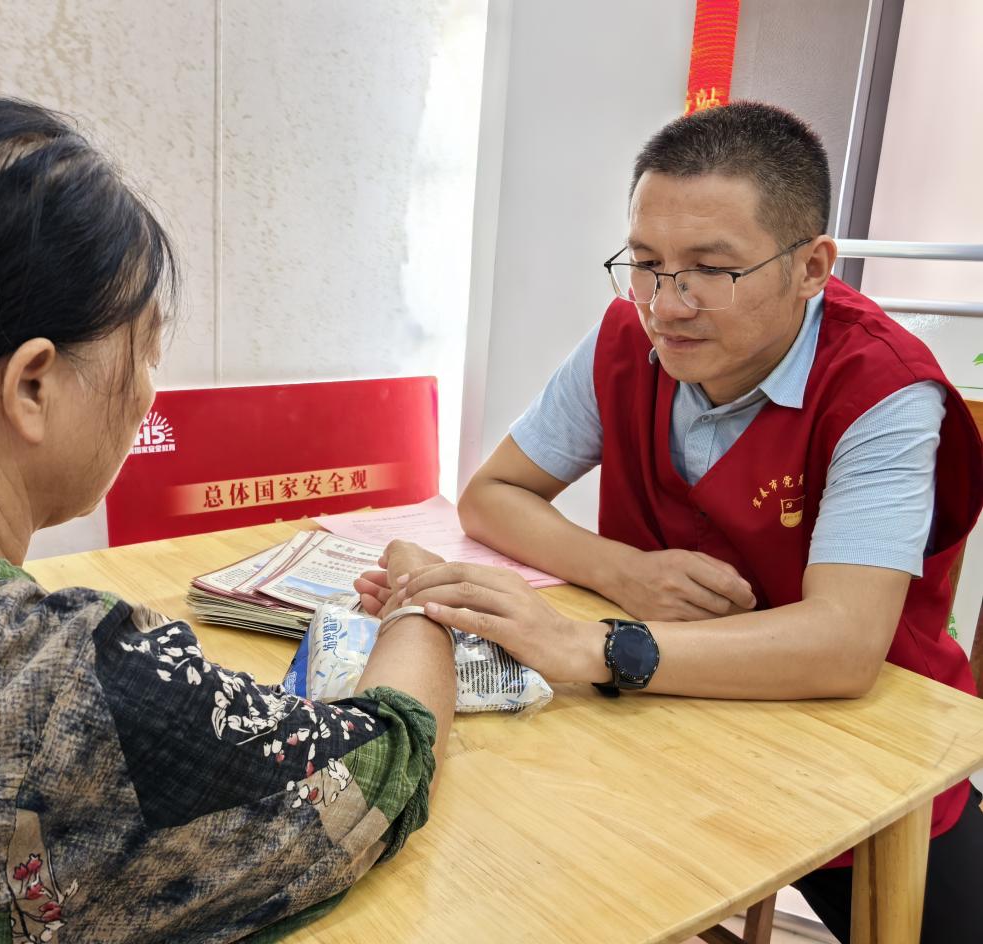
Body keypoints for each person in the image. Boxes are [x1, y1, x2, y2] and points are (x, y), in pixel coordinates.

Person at [0, 97, 455, 943]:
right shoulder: (72, 681)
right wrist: (418, 604)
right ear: (33, 383)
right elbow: (381, 765)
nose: (148, 386)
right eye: (144, 344)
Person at [357, 102, 983, 942]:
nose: (665, 304)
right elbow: (492, 495)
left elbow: (843, 642)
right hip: (665, 721)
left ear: (811, 267)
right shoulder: (627, 339)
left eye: (709, 270)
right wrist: (625, 573)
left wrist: (595, 644)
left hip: (859, 745)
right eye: (646, 263)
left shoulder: (883, 389)